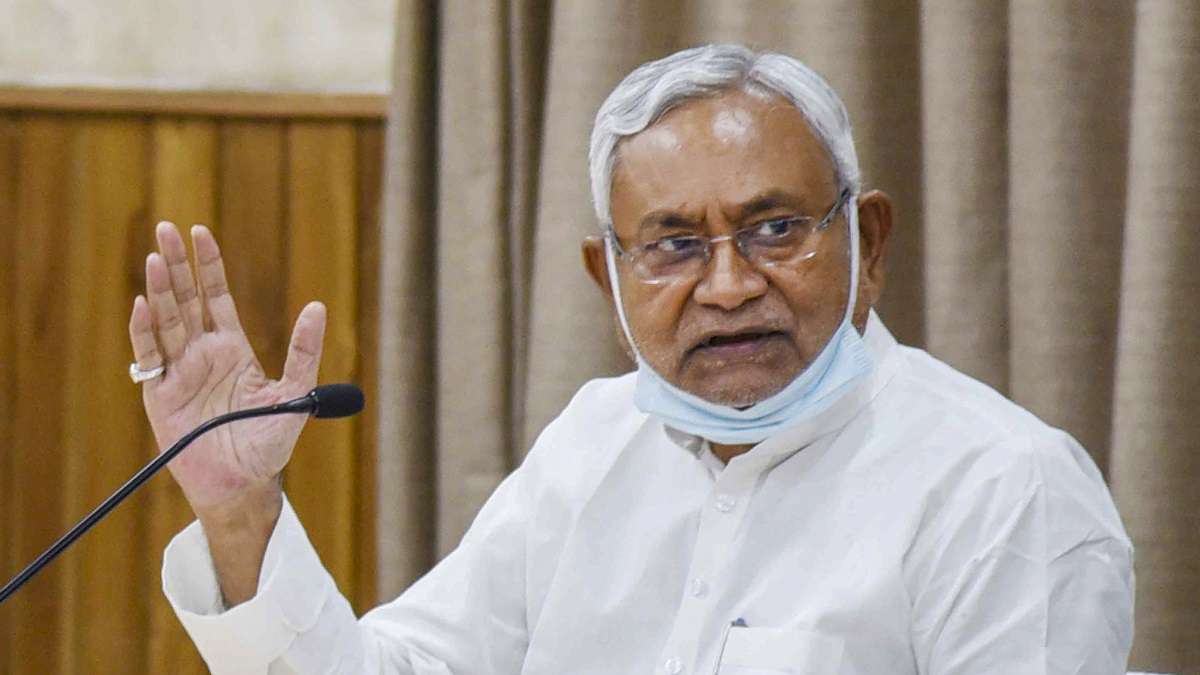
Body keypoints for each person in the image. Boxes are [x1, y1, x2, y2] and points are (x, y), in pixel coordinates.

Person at [128, 44, 1134, 674]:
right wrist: (239, 508)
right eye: (674, 246)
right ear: (606, 279)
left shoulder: (1004, 488)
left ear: (867, 245)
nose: (731, 284)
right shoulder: (595, 444)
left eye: (776, 229)